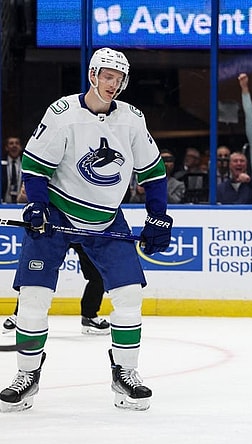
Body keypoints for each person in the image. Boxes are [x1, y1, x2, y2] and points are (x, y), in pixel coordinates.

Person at [0, 47, 172, 412]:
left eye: (119, 78)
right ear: (93, 75)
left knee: (128, 297)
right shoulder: (62, 114)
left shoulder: (131, 119)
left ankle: (125, 375)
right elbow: (34, 166)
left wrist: (158, 215)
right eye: (108, 76)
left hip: (107, 217)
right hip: (57, 215)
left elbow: (153, 173)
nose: (113, 84)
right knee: (32, 299)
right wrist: (37, 205)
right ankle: (27, 376)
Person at [3, 243, 109, 335]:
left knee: (99, 275)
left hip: (82, 228)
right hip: (57, 229)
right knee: (38, 273)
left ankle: (89, 317)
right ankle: (20, 314)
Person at [2, 136, 23, 203]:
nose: (14, 145)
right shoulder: (2, 164)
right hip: (3, 204)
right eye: (11, 143)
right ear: (6, 147)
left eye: (17, 143)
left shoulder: (25, 165)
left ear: (20, 147)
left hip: (21, 204)